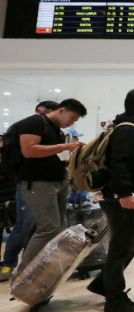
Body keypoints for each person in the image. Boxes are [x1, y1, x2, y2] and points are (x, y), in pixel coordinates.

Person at [83, 89, 134, 312]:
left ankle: (104, 282)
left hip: (131, 195)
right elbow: (119, 164)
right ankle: (114, 298)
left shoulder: (128, 128)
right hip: (121, 197)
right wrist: (124, 193)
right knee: (121, 245)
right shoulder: (127, 130)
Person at [15, 99, 87, 276]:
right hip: (38, 182)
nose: (72, 122)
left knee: (57, 228)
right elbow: (29, 150)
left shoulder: (55, 129)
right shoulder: (34, 122)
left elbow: (51, 154)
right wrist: (65, 146)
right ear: (61, 110)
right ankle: (24, 273)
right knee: (48, 228)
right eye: (72, 117)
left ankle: (44, 269)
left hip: (57, 180)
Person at [0, 101, 58, 282]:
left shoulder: (52, 132)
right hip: (28, 184)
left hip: (44, 185)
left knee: (39, 228)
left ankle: (32, 264)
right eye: (38, 111)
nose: (40, 115)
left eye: (45, 112)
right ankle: (9, 264)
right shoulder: (27, 129)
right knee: (24, 226)